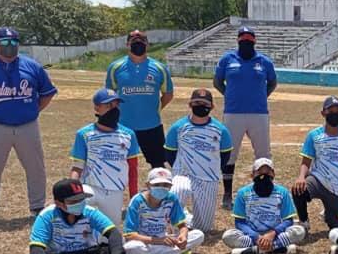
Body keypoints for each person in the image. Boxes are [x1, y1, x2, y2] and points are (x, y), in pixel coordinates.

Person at [0, 27, 57, 223]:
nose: (9, 46)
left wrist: (33, 111)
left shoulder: (32, 66)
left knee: (35, 167)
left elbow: (47, 93)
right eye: (5, 42)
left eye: (14, 42)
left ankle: (37, 206)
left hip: (27, 125)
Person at [18, 179, 125, 254]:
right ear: (59, 203)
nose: (80, 203)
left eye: (81, 199)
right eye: (74, 201)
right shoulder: (46, 216)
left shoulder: (90, 212)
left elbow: (113, 233)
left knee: (116, 252)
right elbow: (37, 246)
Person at [213, 26, 277, 209]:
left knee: (263, 154)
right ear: (238, 42)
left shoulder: (264, 62)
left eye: (249, 41)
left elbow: (272, 82)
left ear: (254, 42)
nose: (246, 44)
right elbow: (217, 81)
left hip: (259, 113)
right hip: (233, 113)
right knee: (230, 154)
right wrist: (228, 95)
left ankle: (265, 189)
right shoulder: (227, 59)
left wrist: (262, 96)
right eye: (243, 41)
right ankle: (227, 194)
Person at [70, 88, 141, 227]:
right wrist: (71, 188)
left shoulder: (128, 135)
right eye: (108, 105)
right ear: (97, 108)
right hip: (89, 187)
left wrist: (134, 196)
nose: (114, 109)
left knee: (109, 231)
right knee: (77, 220)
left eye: (116, 105)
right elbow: (78, 166)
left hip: (114, 190)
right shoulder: (84, 134)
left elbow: (133, 168)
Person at [165, 88, 233, 232]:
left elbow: (225, 155)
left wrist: (210, 169)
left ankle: (186, 217)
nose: (200, 105)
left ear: (212, 107)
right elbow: (170, 153)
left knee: (203, 228)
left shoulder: (221, 130)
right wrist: (179, 169)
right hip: (183, 175)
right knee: (178, 190)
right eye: (196, 102)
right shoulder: (178, 127)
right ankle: (174, 225)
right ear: (190, 104)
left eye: (204, 103)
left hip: (208, 178)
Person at [105, 30, 174, 168]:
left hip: (152, 125)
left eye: (142, 42)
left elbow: (168, 94)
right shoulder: (116, 67)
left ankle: (159, 189)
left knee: (158, 164)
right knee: (119, 164)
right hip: (123, 125)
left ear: (147, 44)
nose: (138, 45)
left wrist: (156, 109)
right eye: (134, 42)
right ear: (127, 44)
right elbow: (109, 94)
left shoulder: (159, 68)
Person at [293, 96, 338, 230]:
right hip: (318, 180)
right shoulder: (314, 135)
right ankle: (304, 221)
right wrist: (301, 177)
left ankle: (329, 213)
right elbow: (306, 161)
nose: (334, 114)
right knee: (298, 190)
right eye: (330, 111)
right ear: (323, 113)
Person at [123, 168, 204, 254]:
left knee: (198, 235)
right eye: (157, 185)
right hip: (144, 241)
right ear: (148, 185)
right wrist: (159, 241)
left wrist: (183, 236)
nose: (161, 188)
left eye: (165, 185)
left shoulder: (172, 199)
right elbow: (130, 235)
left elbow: (182, 225)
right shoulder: (137, 201)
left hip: (165, 239)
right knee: (130, 248)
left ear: (170, 187)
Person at [224, 158, 306, 254]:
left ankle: (254, 250)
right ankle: (277, 248)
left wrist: (272, 234)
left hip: (276, 235)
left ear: (273, 174)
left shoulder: (282, 192)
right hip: (251, 236)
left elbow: (288, 220)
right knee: (228, 236)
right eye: (260, 172)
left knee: (299, 231)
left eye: (268, 172)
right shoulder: (243, 193)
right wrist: (256, 236)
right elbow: (239, 222)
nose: (264, 176)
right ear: (252, 175)